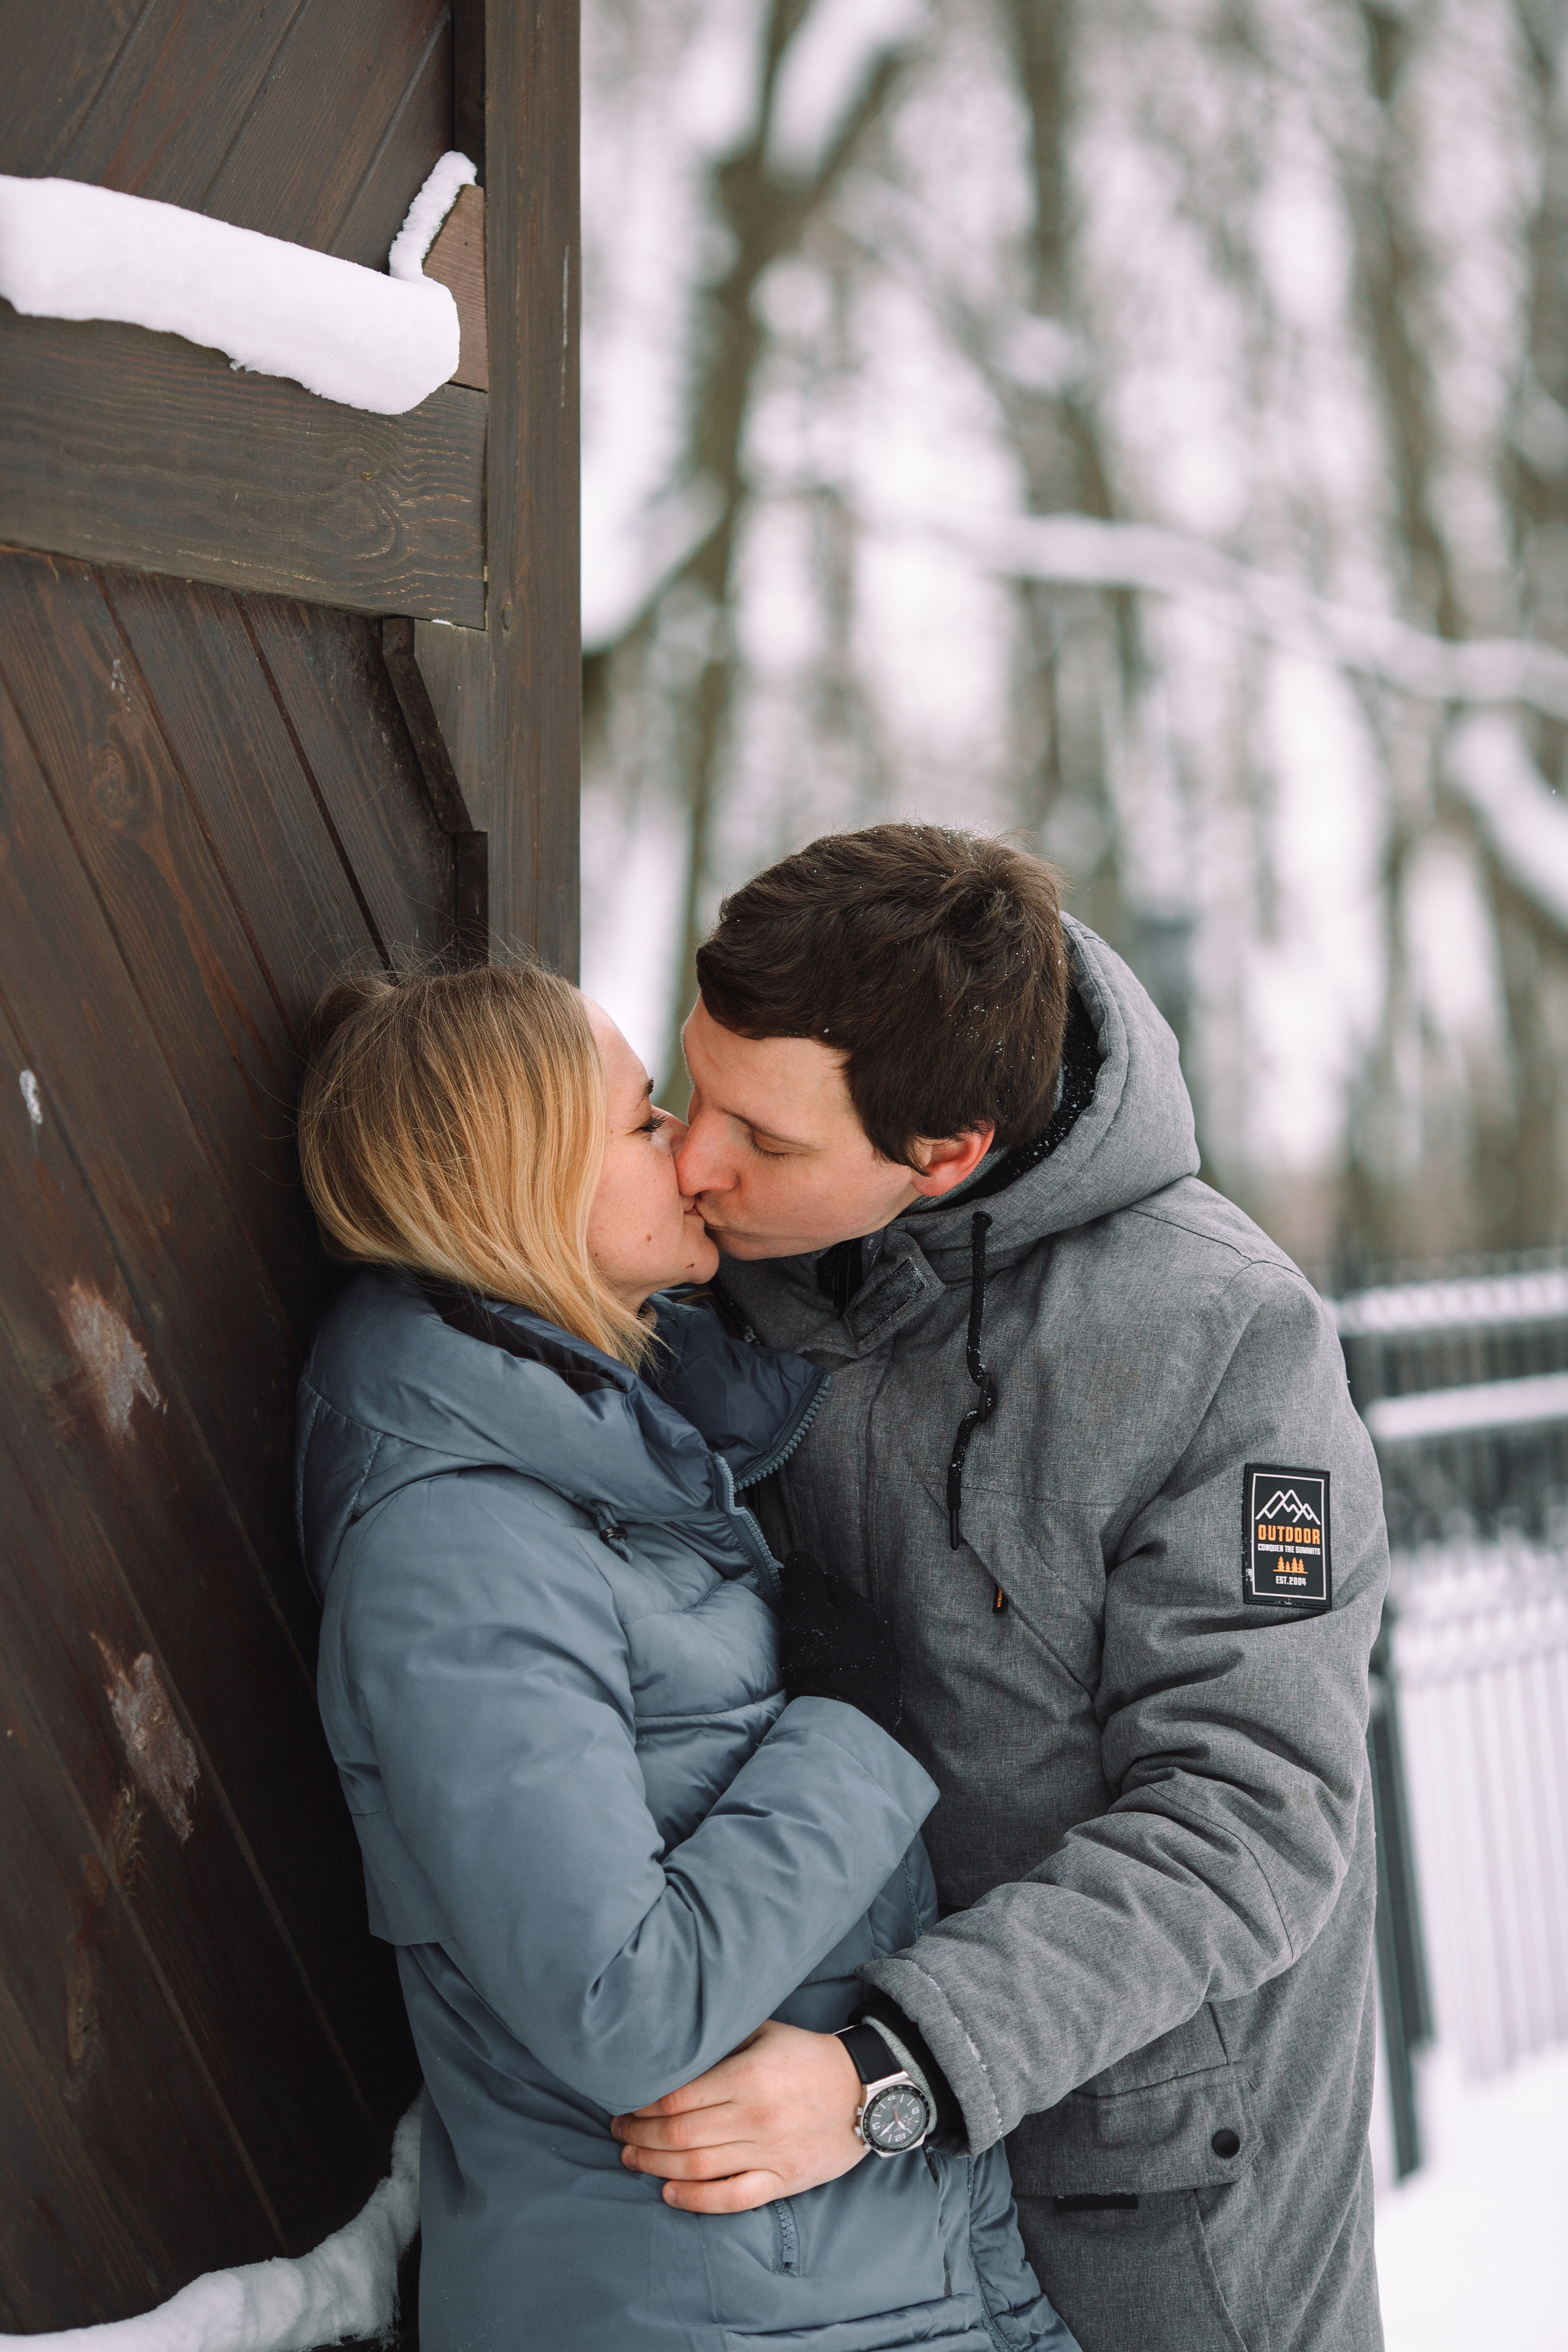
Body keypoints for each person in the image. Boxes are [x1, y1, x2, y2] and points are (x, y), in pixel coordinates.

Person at [611, 825, 1390, 2352]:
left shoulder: (1225, 1343)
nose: (696, 1161)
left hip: (1146, 2202)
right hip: (818, 2188)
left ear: (944, 1153)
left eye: (761, 1138)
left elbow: (1250, 1816)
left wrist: (893, 2066)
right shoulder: (733, 1266)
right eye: (690, 1089)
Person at [292, 962, 1076, 2352]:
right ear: (515, 1179)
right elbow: (622, 2002)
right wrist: (854, 1728)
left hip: (859, 2285)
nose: (690, 1156)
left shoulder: (619, 1463)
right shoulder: (459, 1546)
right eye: (642, 1118)